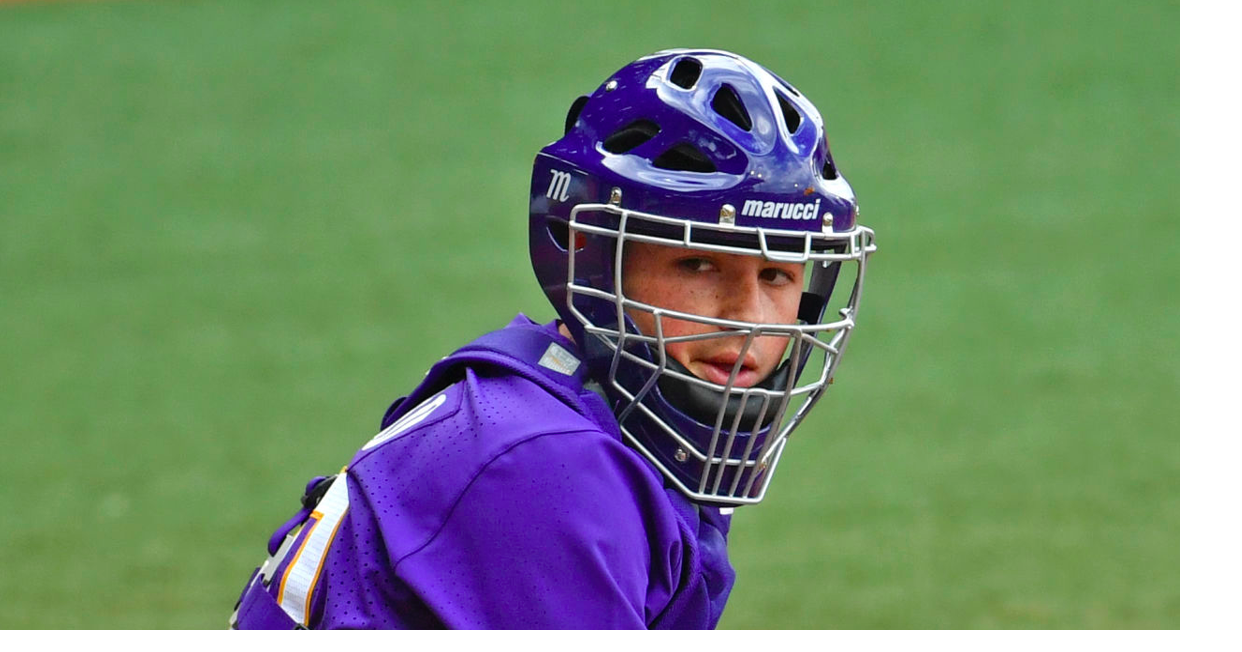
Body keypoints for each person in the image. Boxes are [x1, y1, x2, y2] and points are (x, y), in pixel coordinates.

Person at [230, 48, 876, 630]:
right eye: (698, 265)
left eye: (777, 275)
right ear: (591, 251)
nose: (748, 316)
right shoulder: (542, 466)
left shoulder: (614, 423)